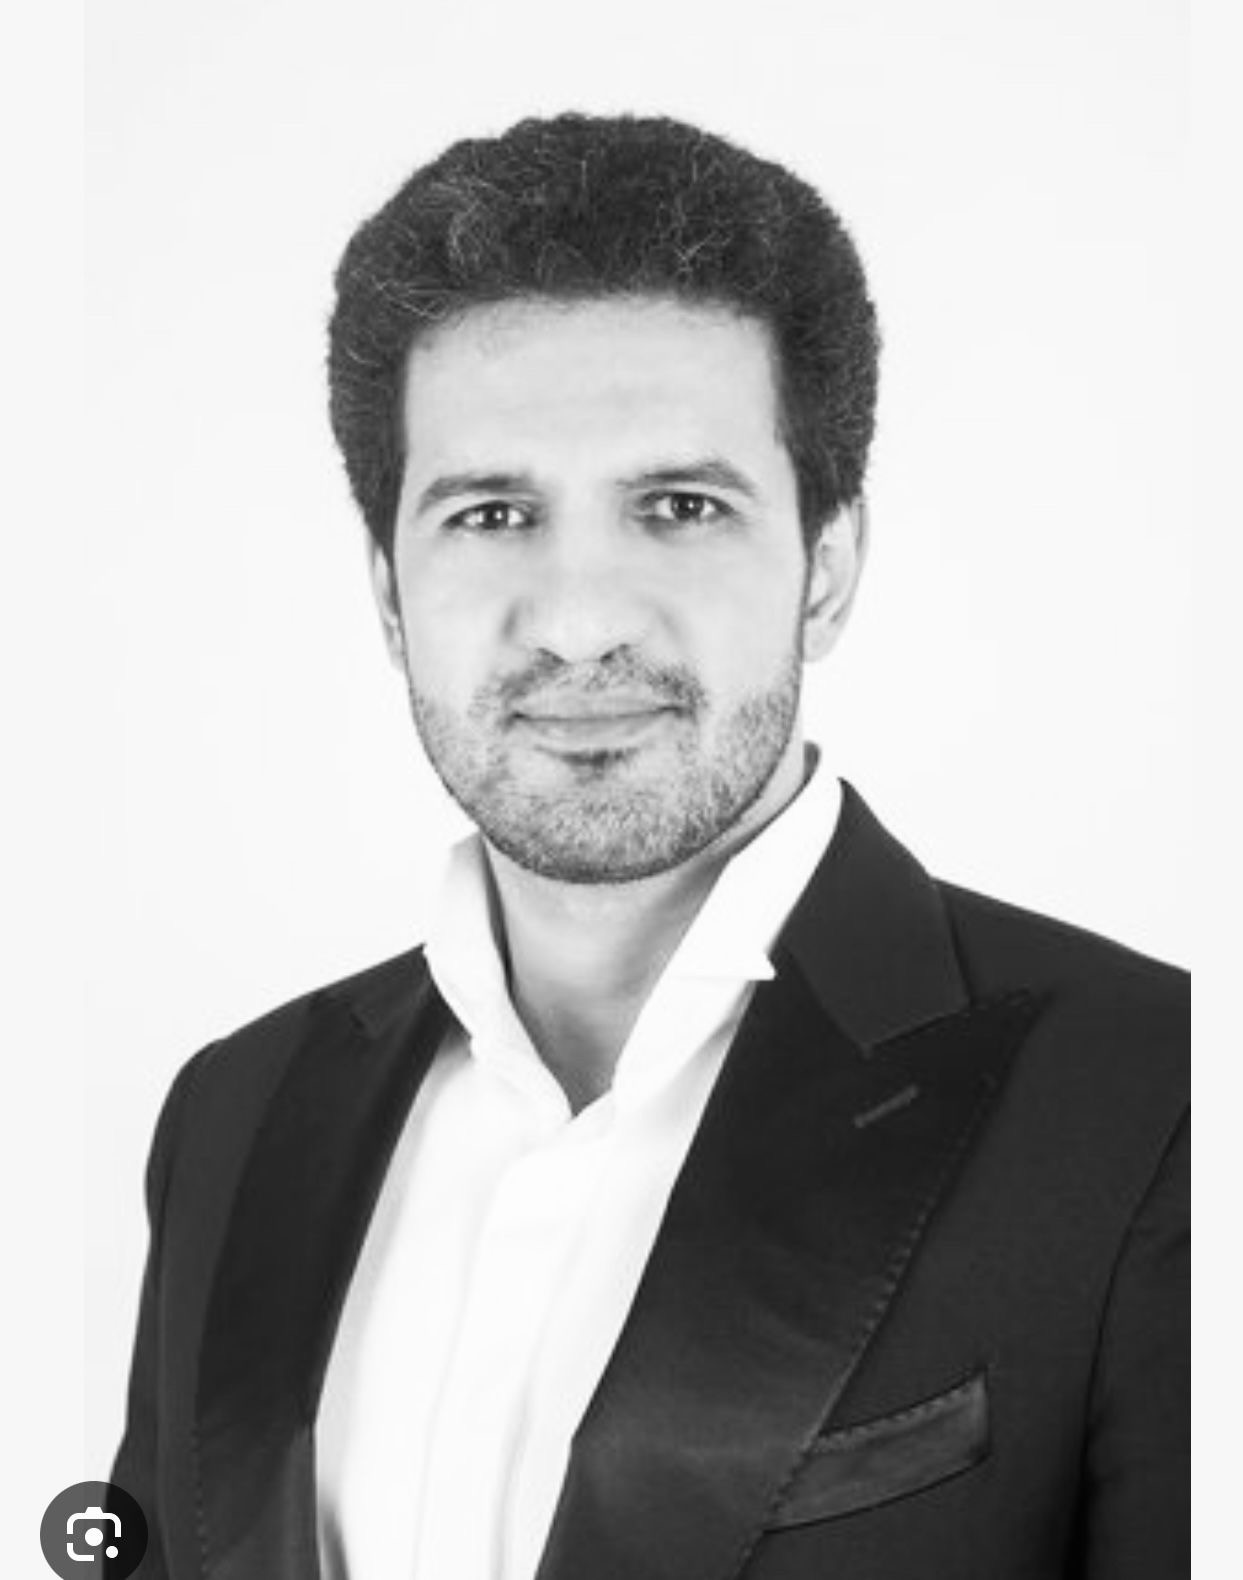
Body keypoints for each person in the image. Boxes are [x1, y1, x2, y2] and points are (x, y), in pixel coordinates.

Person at [110, 113, 1188, 1580]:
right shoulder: (232, 1116)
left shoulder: (1163, 1101)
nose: (578, 620)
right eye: (492, 512)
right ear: (388, 593)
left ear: (828, 569)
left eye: (680, 508)